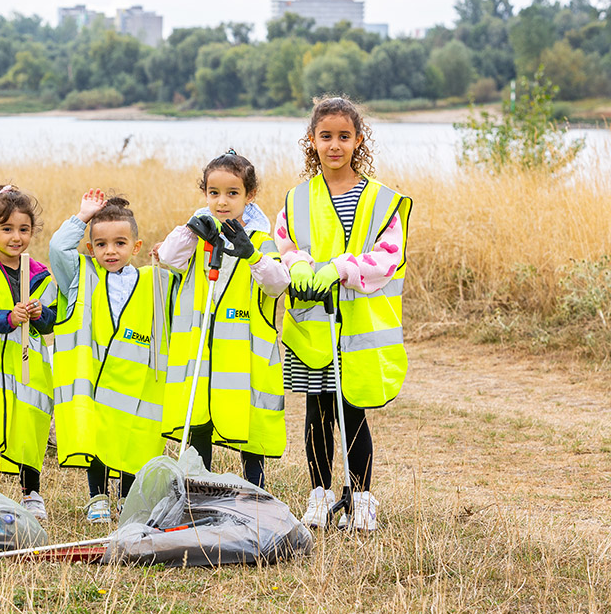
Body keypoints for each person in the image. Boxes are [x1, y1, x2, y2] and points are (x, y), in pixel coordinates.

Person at [274, 96, 412, 532]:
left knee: (353, 411)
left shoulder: (381, 199)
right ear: (311, 141)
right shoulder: (297, 198)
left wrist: (340, 268)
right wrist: (297, 264)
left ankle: (362, 499)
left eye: (344, 136)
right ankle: (320, 495)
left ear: (359, 140)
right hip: (313, 328)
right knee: (317, 412)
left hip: (358, 330)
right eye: (325, 136)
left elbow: (388, 257)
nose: (335, 145)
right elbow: (284, 243)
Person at [156, 150, 290, 487]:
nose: (222, 202)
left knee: (249, 430)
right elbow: (168, 257)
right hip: (200, 356)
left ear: (250, 195)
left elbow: (277, 284)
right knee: (199, 420)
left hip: (244, 361)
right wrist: (191, 227)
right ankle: (199, 489)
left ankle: (254, 492)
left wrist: (252, 255)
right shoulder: (199, 234)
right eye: (213, 193)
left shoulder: (259, 239)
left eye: (232, 193)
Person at [49, 190, 171, 523]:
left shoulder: (154, 278)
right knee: (98, 438)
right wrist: (83, 216)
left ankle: (128, 498)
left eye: (120, 243)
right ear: (90, 249)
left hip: (137, 381)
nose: (110, 251)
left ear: (136, 247)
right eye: (101, 244)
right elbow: (58, 248)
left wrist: (170, 253)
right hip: (96, 378)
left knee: (135, 438)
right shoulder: (80, 275)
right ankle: (98, 498)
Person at [0, 184, 57, 520]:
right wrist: (7, 318)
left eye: (23, 229)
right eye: (6, 229)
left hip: (29, 371)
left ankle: (31, 493)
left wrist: (38, 315)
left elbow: (50, 322)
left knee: (29, 428)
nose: (16, 237)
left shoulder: (41, 275)